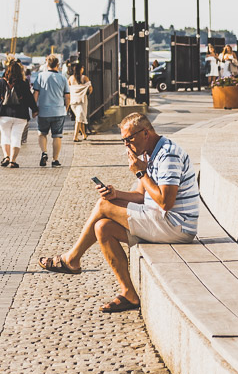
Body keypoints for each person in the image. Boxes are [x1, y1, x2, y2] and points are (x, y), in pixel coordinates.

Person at [39, 112, 199, 314]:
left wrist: (141, 173)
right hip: (161, 220)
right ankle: (128, 294)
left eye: (129, 139)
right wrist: (116, 195)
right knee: (103, 227)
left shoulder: (168, 155)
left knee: (102, 206)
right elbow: (142, 196)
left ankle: (72, 259)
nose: (126, 145)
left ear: (146, 133)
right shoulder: (150, 153)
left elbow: (166, 202)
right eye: (123, 140)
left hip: (177, 226)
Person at [0, 58, 37, 168]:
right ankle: (12, 161)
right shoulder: (23, 84)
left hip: (3, 114)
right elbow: (30, 99)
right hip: (20, 115)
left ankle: (6, 156)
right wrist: (34, 110)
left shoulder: (0, 83)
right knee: (16, 137)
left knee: (5, 136)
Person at [32, 54, 70, 167]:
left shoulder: (40, 77)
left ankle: (44, 152)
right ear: (58, 65)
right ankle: (55, 159)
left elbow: (36, 94)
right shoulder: (63, 78)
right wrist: (66, 109)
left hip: (43, 111)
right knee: (57, 136)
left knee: (42, 134)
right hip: (59, 111)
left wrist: (34, 108)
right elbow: (67, 96)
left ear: (47, 64)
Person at [68, 62, 93, 142]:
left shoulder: (70, 78)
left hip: (73, 101)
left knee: (80, 117)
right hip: (82, 100)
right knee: (79, 118)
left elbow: (68, 89)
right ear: (81, 69)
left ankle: (84, 134)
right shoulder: (84, 78)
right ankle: (75, 136)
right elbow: (90, 89)